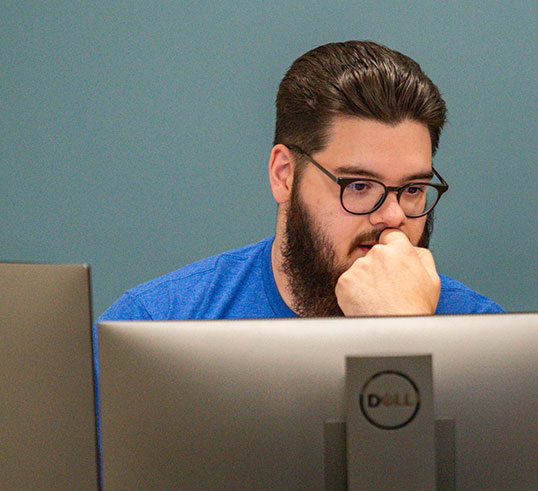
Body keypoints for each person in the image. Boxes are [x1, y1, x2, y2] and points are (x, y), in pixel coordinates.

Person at [101, 41, 501, 322]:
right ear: (284, 175)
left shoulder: (483, 334)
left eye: (413, 189)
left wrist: (406, 332)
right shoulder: (160, 321)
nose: (394, 217)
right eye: (359, 186)